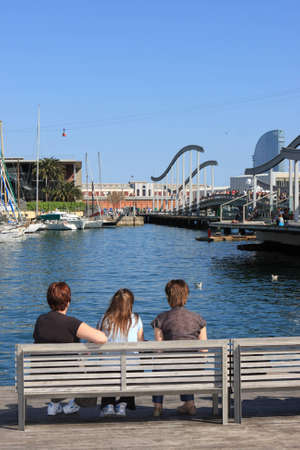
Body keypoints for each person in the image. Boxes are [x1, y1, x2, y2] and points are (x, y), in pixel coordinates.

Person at [33, 281, 107, 416]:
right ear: (68, 301)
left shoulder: (40, 321)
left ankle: (54, 404)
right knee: (95, 375)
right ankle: (74, 405)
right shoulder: (71, 323)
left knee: (56, 366)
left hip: (41, 377)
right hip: (68, 378)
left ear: (49, 301)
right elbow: (102, 338)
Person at [151, 279, 207, 417]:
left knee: (158, 366)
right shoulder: (198, 319)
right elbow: (204, 349)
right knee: (188, 361)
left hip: (168, 367)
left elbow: (158, 348)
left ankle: (158, 406)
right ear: (186, 296)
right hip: (193, 368)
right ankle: (190, 404)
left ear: (168, 297)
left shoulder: (161, 318)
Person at [97, 288, 144, 417]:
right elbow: (140, 343)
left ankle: (108, 404)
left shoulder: (104, 319)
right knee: (131, 365)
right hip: (131, 370)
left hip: (108, 369)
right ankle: (123, 403)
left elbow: (98, 344)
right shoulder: (137, 319)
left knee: (107, 366)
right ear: (131, 304)